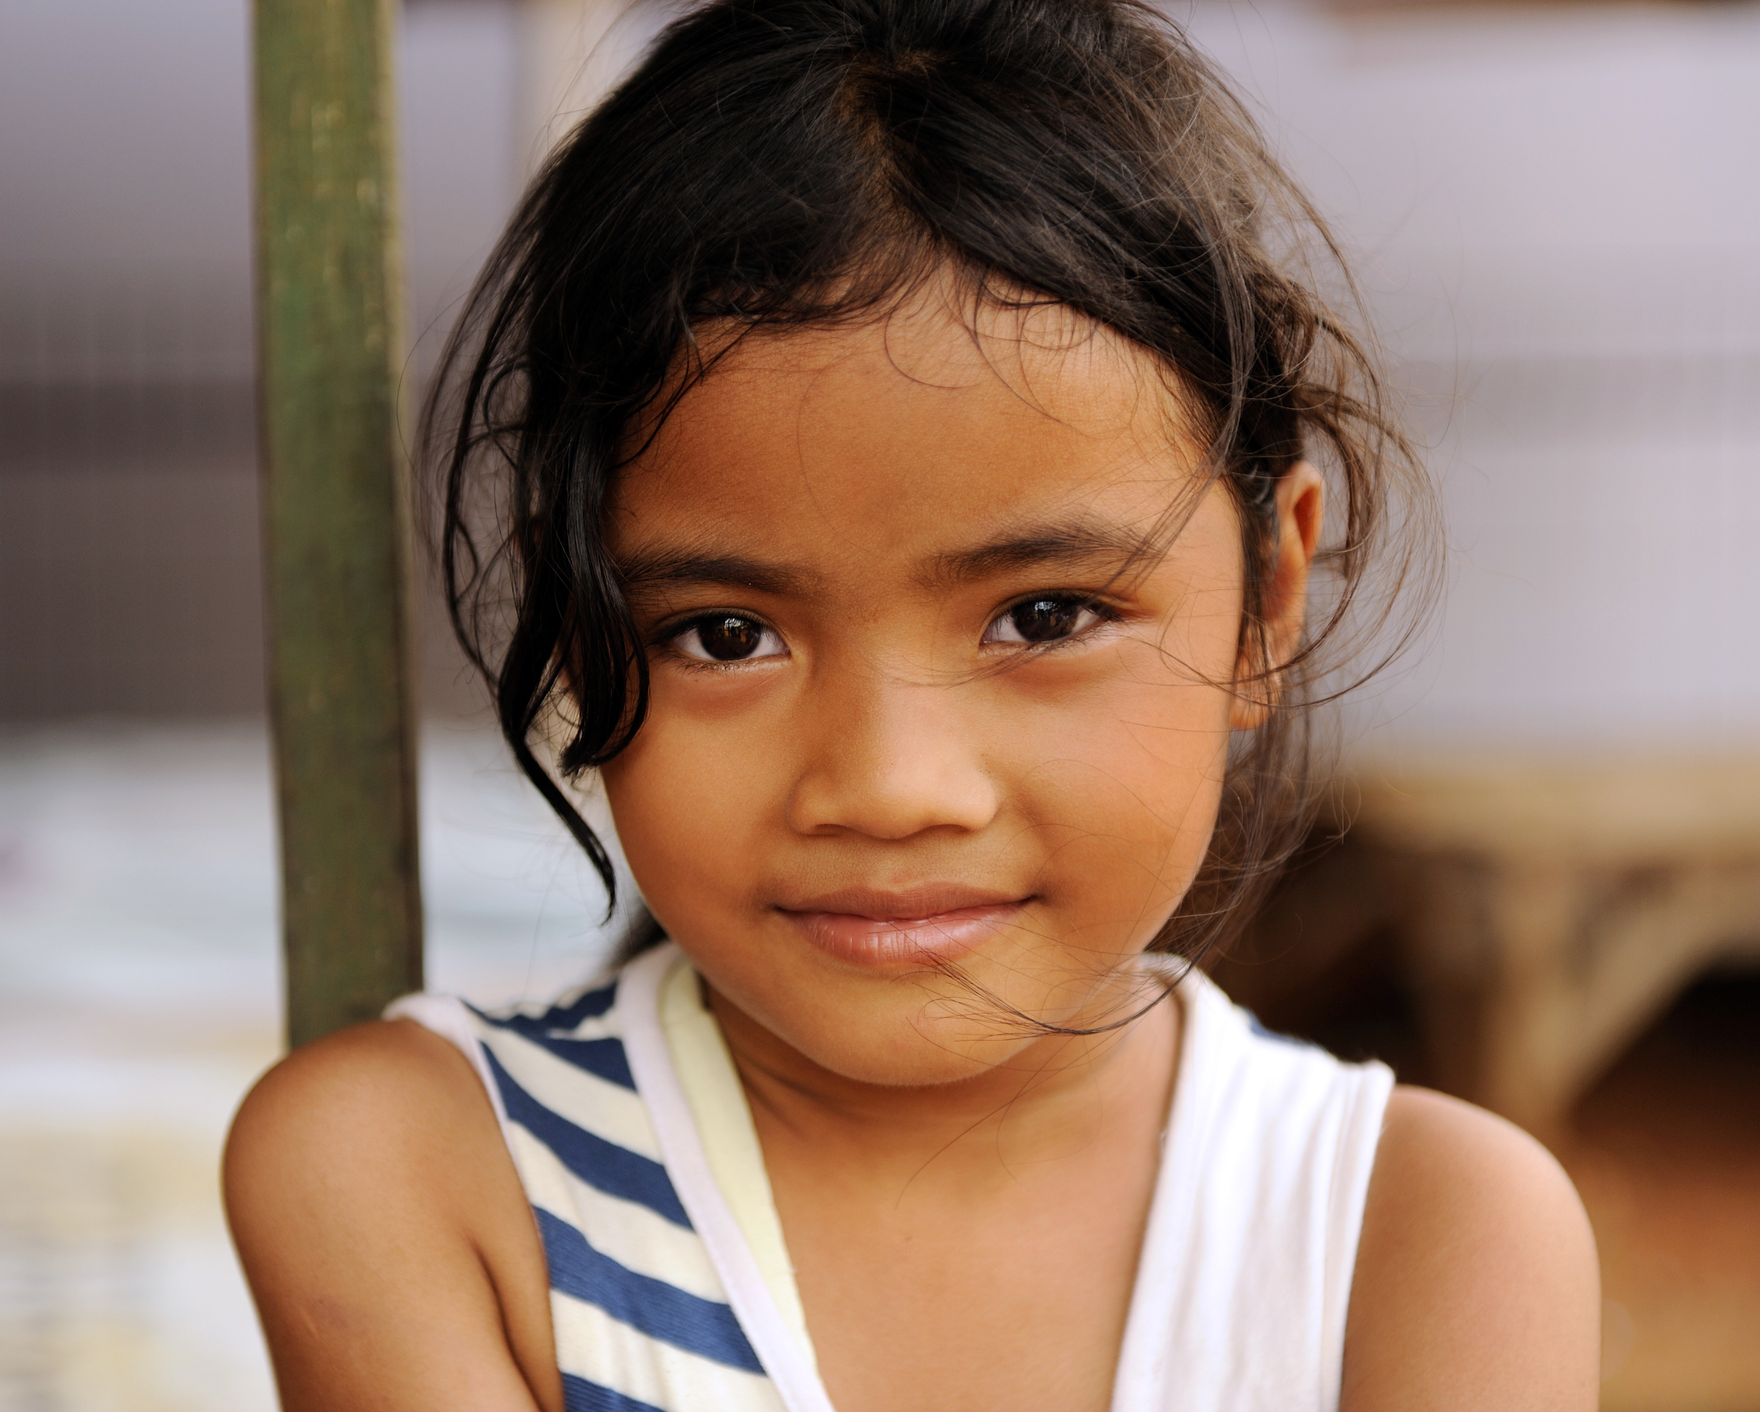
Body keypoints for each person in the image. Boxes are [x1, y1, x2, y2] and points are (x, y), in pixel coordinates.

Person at [224, 0, 1601, 1406]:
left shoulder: (1413, 1239)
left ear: (1264, 596)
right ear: (576, 623)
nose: (887, 785)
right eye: (723, 633)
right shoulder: (423, 1180)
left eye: (1045, 616)